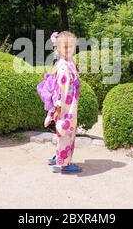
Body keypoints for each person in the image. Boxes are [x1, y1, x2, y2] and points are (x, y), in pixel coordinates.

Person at [46, 31, 82, 173]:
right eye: (65, 47)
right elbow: (61, 89)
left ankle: (58, 155)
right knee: (66, 132)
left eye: (71, 46)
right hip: (66, 106)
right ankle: (63, 164)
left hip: (69, 103)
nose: (68, 50)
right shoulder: (64, 66)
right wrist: (59, 107)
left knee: (63, 131)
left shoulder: (67, 61)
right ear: (59, 48)